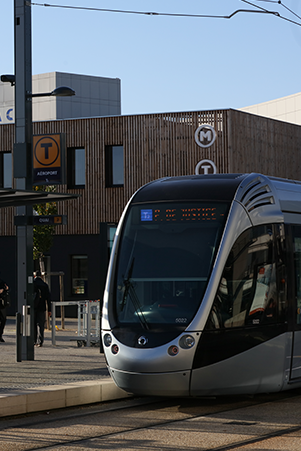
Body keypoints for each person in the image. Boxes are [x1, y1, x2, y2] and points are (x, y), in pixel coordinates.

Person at [33, 271, 51, 347]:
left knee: (33, 324)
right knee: (41, 325)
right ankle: (40, 341)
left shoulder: (32, 284)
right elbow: (48, 299)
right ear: (41, 276)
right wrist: (49, 310)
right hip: (42, 307)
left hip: (33, 307)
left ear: (34, 276)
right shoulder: (45, 285)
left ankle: (34, 341)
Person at [0, 276, 9, 343]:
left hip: (2, 304)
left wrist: (5, 288)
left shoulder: (2, 281)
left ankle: (0, 335)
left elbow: (7, 288)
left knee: (3, 319)